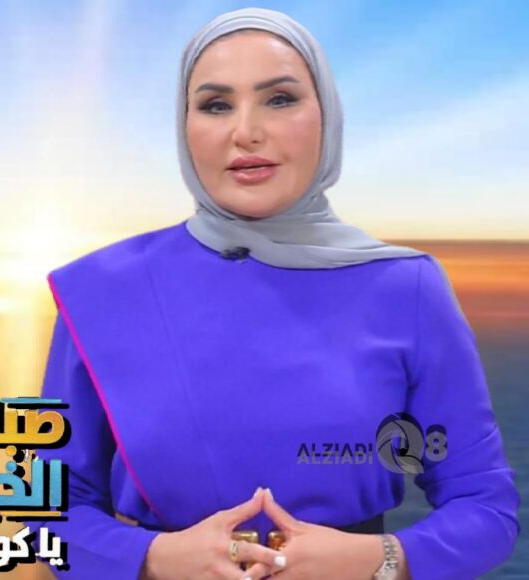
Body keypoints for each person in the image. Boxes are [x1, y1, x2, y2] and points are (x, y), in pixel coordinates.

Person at [38, 8, 519, 580]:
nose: (245, 131)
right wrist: (153, 559)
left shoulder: (407, 288)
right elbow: (47, 510)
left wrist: (378, 559)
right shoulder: (101, 291)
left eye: (280, 99)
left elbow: (486, 509)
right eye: (216, 105)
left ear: (327, 117)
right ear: (184, 127)